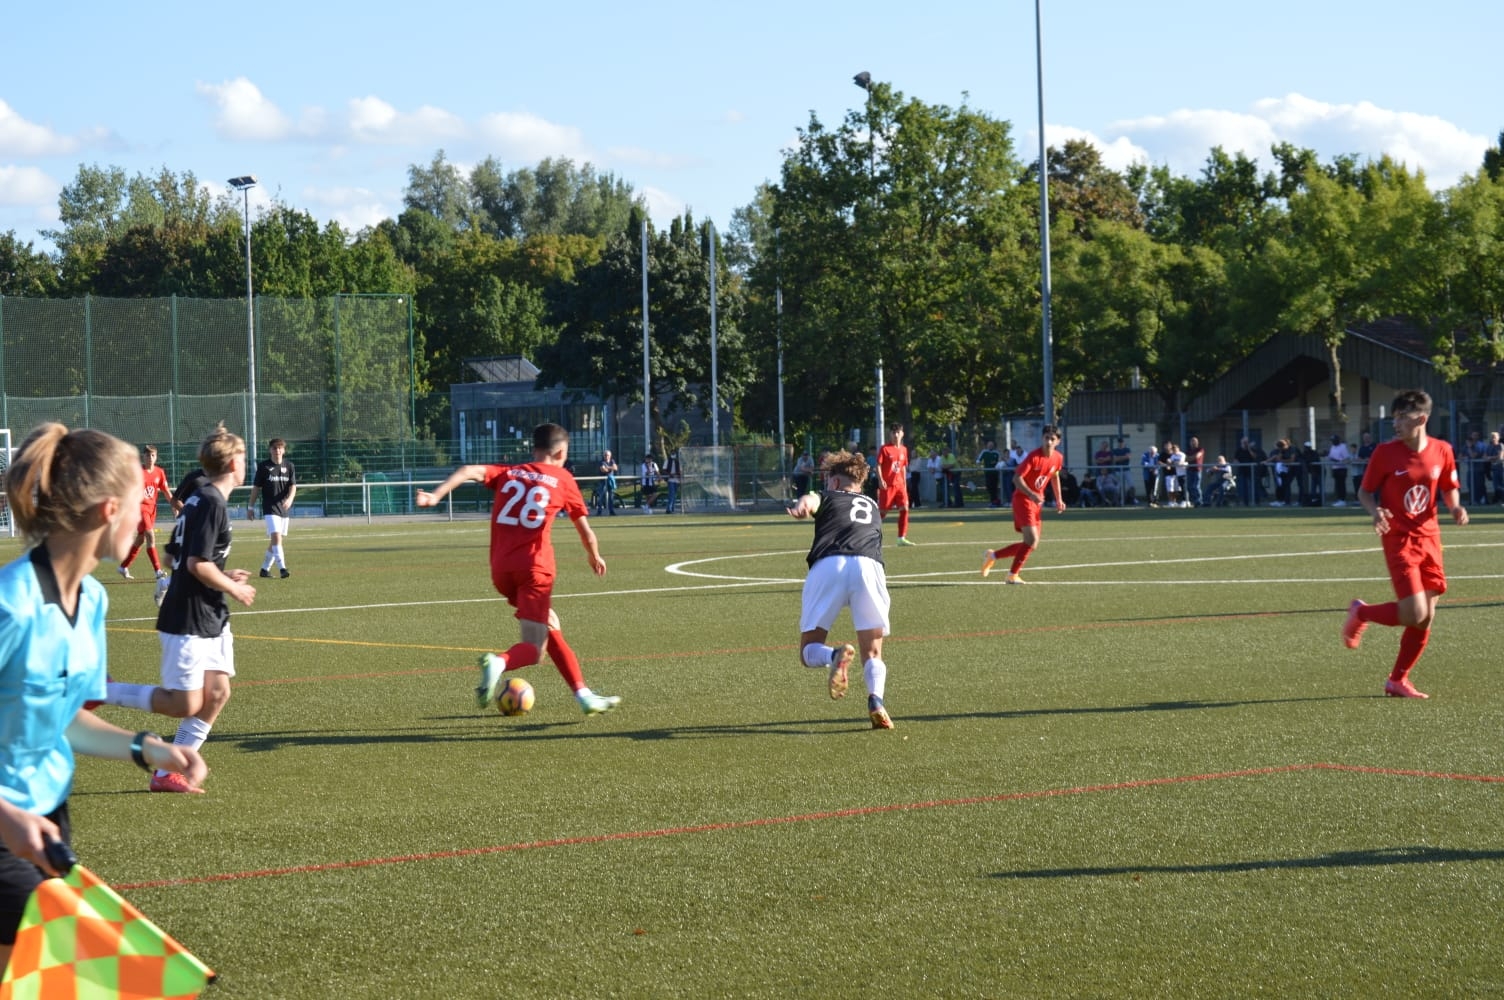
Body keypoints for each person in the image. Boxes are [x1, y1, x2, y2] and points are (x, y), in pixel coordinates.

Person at [0, 424, 207, 970]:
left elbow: (64, 721)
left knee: (38, 978)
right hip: (8, 828)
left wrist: (149, 749)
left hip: (48, 821)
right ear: (108, 511)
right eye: (139, 501)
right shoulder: (11, 606)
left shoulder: (91, 600)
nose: (146, 515)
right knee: (55, 969)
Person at [417, 423, 620, 716]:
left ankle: (584, 695)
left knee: (550, 624)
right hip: (535, 570)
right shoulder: (562, 478)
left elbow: (469, 470)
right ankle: (499, 662)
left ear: (534, 449)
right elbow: (586, 532)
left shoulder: (510, 472)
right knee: (534, 649)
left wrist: (435, 496)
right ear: (560, 452)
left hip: (501, 570)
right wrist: (594, 555)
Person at [103, 423, 257, 793]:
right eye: (243, 456)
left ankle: (166, 772)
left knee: (217, 694)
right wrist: (233, 587)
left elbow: (174, 557)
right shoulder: (211, 503)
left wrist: (220, 574)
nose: (246, 462)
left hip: (211, 614)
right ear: (233, 464)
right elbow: (194, 564)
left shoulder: (200, 499)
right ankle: (104, 690)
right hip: (188, 614)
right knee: (183, 703)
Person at [1343, 390, 1469, 699]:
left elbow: (1449, 486)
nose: (1396, 423)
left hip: (1430, 538)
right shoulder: (1385, 453)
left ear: (1421, 419)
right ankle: (1361, 613)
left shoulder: (1442, 450)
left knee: (1426, 616)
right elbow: (1365, 491)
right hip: (1398, 538)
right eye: (1394, 418)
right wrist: (1375, 512)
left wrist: (1455, 507)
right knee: (1414, 613)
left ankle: (1397, 680)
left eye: (1402, 417)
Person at [786, 450, 894, 730]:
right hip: (869, 567)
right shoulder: (872, 504)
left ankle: (833, 655)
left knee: (809, 650)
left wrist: (802, 505)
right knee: (873, 653)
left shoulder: (828, 495)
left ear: (834, 482)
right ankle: (876, 700)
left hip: (830, 565)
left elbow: (811, 499)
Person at [982, 424, 1065, 584]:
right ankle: (1012, 575)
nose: (1049, 442)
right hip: (1023, 500)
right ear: (1042, 438)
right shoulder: (1033, 457)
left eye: (1052, 439)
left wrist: (1059, 499)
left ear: (1058, 441)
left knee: (1031, 544)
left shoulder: (1058, 458)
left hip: (1036, 503)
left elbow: (1054, 476)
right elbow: (1016, 478)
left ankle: (993, 556)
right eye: (1046, 438)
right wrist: (1031, 494)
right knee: (1031, 539)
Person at [117, 445, 173, 604]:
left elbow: (166, 491)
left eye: (153, 455)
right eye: (148, 455)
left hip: (152, 509)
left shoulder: (159, 472)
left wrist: (174, 505)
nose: (150, 458)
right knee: (150, 535)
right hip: (139, 509)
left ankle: (123, 566)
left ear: (156, 457)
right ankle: (158, 572)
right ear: (143, 457)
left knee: (141, 539)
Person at [246, 438, 296, 579]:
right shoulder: (264, 467)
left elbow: (293, 486)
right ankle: (282, 569)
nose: (277, 450)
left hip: (283, 508)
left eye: (280, 448)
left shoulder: (289, 466)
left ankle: (265, 569)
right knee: (276, 537)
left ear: (284, 450)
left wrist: (290, 499)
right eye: (274, 448)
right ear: (270, 450)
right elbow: (256, 488)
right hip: (270, 508)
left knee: (276, 541)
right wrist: (250, 507)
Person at [1327, 435, 1351, 507]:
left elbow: (1347, 458)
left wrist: (1339, 461)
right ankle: (1339, 499)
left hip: (1341, 468)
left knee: (1341, 484)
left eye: (1333, 440)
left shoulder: (1343, 447)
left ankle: (1342, 500)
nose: (1332, 442)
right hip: (1335, 468)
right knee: (1337, 484)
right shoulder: (1332, 447)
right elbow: (1330, 456)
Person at [978, 440, 1003, 507]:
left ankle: (994, 501)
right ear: (987, 445)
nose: (990, 446)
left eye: (991, 445)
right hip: (988, 473)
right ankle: (994, 500)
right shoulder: (984, 452)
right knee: (989, 486)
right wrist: (979, 465)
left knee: (994, 487)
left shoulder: (996, 452)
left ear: (993, 446)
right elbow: (978, 460)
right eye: (989, 445)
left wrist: (996, 463)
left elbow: (1000, 461)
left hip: (995, 473)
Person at [1184, 436, 1205, 507]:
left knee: (1196, 486)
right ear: (1190, 443)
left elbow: (1197, 456)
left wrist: (1190, 458)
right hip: (1190, 470)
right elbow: (1186, 459)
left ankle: (1200, 501)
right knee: (1190, 486)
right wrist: (1191, 458)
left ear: (1197, 442)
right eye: (1192, 441)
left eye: (1195, 441)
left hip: (1197, 470)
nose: (1193, 443)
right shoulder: (1188, 451)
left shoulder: (1200, 449)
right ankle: (1195, 501)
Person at [596, 450, 619, 515]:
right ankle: (599, 511)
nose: (606, 456)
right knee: (601, 496)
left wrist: (608, 467)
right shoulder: (602, 462)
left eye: (608, 455)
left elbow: (616, 468)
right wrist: (611, 468)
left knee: (611, 496)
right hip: (602, 481)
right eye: (605, 455)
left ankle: (611, 511)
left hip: (610, 481)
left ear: (610, 456)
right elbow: (603, 470)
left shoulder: (612, 461)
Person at [664, 449, 683, 514]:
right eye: (672, 453)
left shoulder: (678, 461)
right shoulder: (668, 460)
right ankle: (668, 509)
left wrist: (680, 477)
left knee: (675, 495)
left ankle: (672, 508)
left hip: (677, 480)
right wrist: (669, 474)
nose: (673, 454)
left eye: (674, 453)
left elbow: (680, 470)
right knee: (671, 494)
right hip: (670, 479)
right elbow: (664, 469)